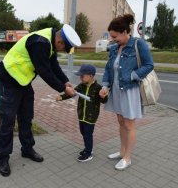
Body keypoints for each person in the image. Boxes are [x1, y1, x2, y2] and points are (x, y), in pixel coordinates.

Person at [0, 24, 81, 177]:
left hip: (23, 81)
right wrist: (62, 88)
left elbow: (53, 65)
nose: (61, 51)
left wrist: (65, 81)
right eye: (63, 49)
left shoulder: (50, 41)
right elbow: (44, 71)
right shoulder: (40, 43)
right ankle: (3, 157)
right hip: (9, 79)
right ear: (60, 42)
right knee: (8, 119)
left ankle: (27, 149)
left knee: (26, 117)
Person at [99, 14, 154, 170]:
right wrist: (105, 86)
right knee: (121, 122)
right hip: (116, 91)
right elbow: (108, 69)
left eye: (115, 36)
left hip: (129, 90)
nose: (113, 39)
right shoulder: (114, 48)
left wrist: (132, 76)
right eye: (111, 37)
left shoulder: (138, 44)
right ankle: (122, 151)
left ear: (124, 31)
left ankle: (128, 158)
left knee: (129, 124)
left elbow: (149, 65)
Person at [56, 64, 108, 162]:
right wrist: (62, 97)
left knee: (88, 134)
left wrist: (104, 96)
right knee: (83, 133)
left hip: (91, 117)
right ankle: (87, 148)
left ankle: (89, 153)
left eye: (82, 76)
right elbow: (72, 93)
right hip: (81, 115)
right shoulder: (82, 86)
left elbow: (104, 101)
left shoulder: (98, 88)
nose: (80, 78)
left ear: (91, 76)